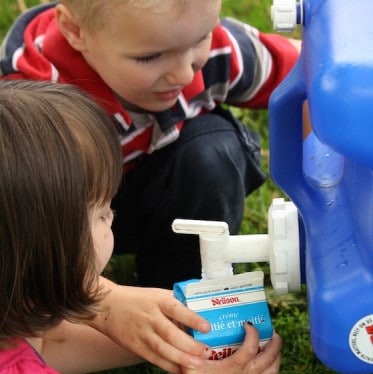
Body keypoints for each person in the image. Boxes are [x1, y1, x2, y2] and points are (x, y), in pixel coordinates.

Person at [0, 80, 282, 374]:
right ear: (45, 256)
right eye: (99, 212)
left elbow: (49, 343)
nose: (113, 215)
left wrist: (164, 338)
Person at [0, 0, 300, 289]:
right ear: (77, 32)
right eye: (148, 58)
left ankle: (184, 297)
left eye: (201, 39)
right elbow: (25, 235)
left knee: (212, 154)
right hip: (55, 213)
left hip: (157, 189)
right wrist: (106, 301)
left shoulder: (198, 42)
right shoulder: (38, 109)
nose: (184, 73)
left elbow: (314, 75)